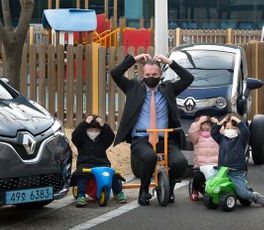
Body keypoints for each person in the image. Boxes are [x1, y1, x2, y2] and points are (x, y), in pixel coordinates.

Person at [110, 53, 194, 206]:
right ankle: (143, 191)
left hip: (165, 139)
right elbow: (115, 73)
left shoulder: (168, 88)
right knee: (149, 157)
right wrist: (135, 59)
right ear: (143, 74)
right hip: (141, 139)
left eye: (154, 74)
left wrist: (169, 62)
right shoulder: (133, 87)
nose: (151, 77)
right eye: (147, 74)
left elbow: (188, 78)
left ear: (160, 75)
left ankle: (169, 188)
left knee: (181, 162)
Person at [70, 114, 127, 207]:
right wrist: (85, 123)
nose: (93, 132)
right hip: (85, 164)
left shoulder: (102, 140)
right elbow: (75, 136)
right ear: (86, 130)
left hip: (102, 163)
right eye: (91, 130)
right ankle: (81, 195)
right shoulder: (81, 140)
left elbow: (110, 136)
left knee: (113, 174)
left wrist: (103, 125)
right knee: (81, 174)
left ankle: (118, 192)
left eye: (96, 131)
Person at [210, 114, 264, 206]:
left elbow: (246, 132)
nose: (229, 131)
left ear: (238, 129)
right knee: (211, 185)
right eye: (227, 129)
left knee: (243, 193)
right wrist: (222, 121)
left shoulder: (241, 139)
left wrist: (237, 120)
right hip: (222, 170)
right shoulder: (222, 139)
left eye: (232, 129)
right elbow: (213, 133)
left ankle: (255, 196)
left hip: (236, 172)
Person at [188, 115, 219, 201]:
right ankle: (195, 191)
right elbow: (191, 133)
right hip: (200, 165)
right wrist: (198, 122)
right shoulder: (196, 137)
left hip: (215, 164)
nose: (206, 126)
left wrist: (217, 123)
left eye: (208, 124)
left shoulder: (215, 134)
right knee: (198, 177)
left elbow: (223, 134)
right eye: (203, 124)